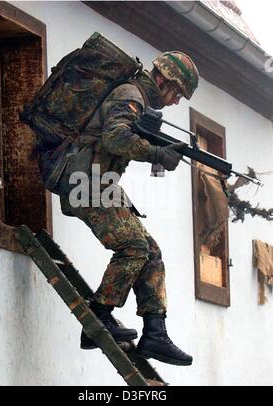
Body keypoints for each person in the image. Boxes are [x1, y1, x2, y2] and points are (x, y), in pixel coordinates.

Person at [59, 51, 199, 366]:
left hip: (98, 185)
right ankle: (98, 318)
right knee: (134, 246)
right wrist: (157, 154)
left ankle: (155, 332)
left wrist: (158, 149)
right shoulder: (130, 94)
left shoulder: (137, 98)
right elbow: (115, 138)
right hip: (86, 184)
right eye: (176, 92)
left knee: (150, 250)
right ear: (162, 78)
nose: (176, 101)